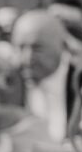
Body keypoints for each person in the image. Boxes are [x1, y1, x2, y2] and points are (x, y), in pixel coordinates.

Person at [9, 11, 77, 142]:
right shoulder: (6, 85)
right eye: (20, 47)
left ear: (62, 46)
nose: (26, 59)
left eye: (37, 48)